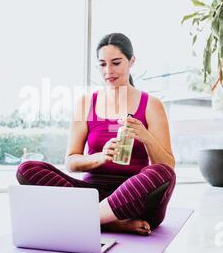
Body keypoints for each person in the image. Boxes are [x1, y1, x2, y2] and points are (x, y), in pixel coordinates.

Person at [17, 32, 176, 236]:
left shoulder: (152, 105)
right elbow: (71, 162)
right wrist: (100, 158)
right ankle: (109, 222)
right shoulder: (85, 103)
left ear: (131, 61)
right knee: (27, 169)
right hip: (91, 195)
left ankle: (85, 218)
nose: (108, 71)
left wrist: (145, 136)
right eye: (102, 64)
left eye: (116, 63)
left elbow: (167, 165)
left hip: (136, 198)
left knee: (163, 174)